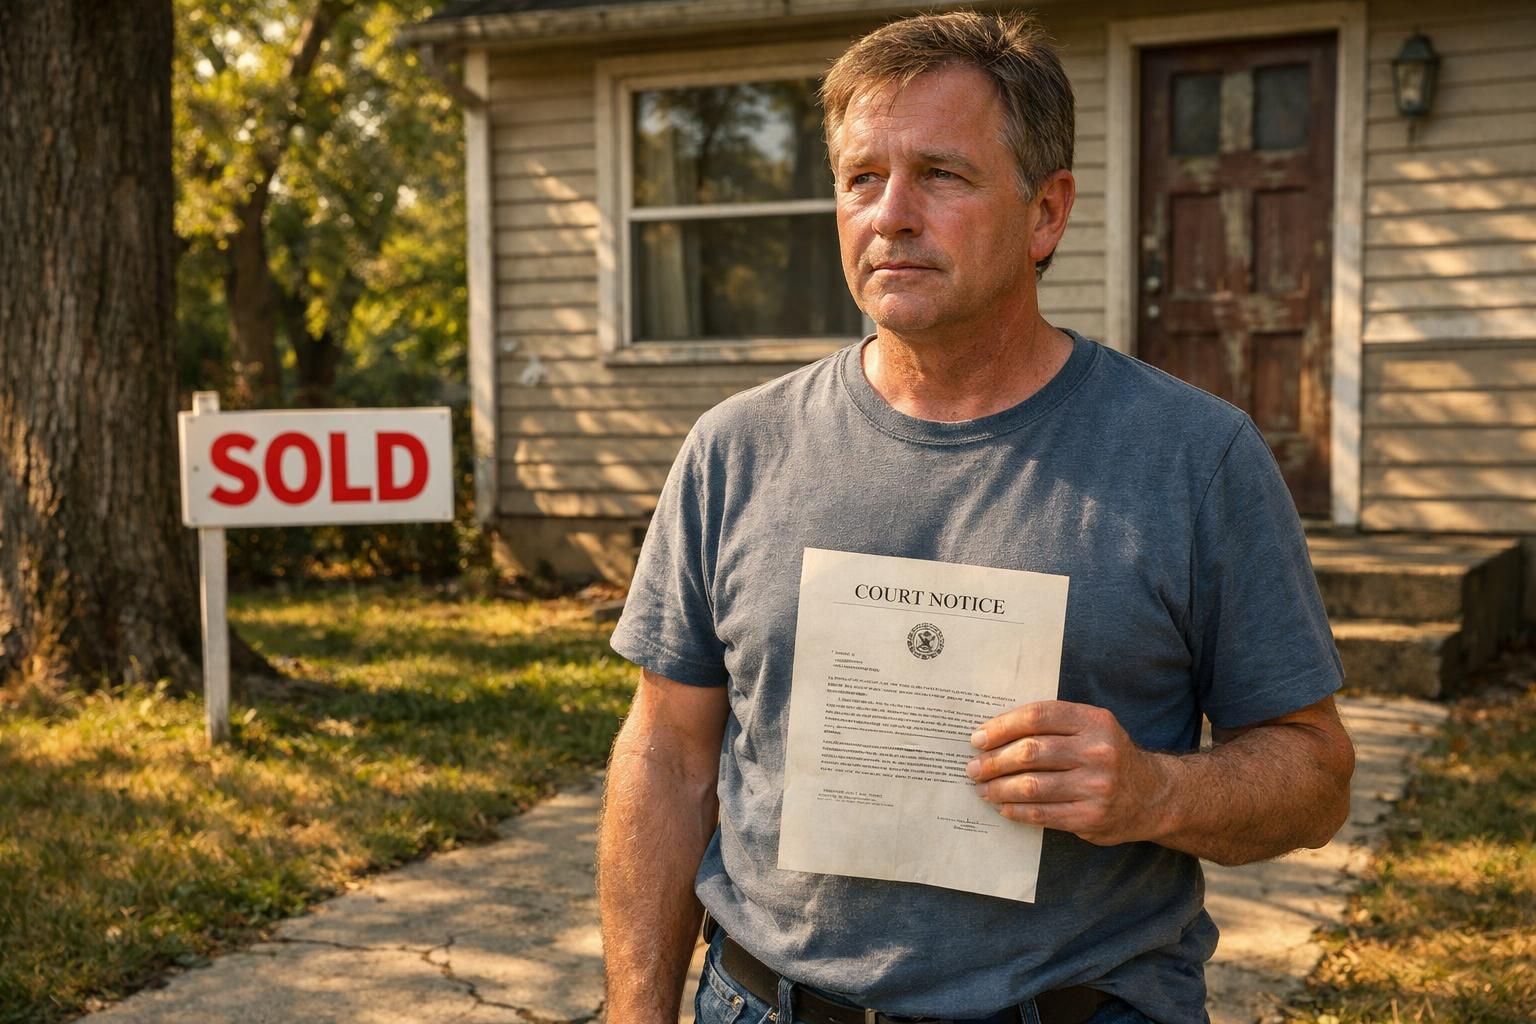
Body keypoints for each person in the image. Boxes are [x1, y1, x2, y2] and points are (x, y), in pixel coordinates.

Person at [598, 11, 1355, 1024]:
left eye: (941, 175)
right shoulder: (736, 448)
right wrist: (634, 1010)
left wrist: (1154, 794)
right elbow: (669, 750)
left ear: (1046, 214)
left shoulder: (1196, 458)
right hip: (764, 1002)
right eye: (862, 176)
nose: (890, 214)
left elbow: (1315, 771)